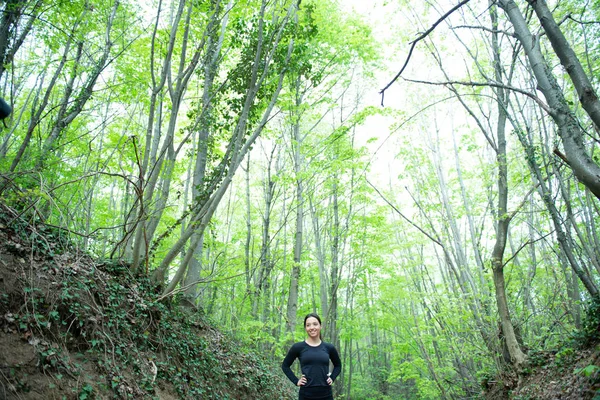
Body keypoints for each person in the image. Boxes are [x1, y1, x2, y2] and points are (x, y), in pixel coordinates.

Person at [282, 313, 342, 400]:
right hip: (306, 394)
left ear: (320, 326)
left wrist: (332, 378)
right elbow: (285, 366)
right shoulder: (298, 347)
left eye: (315, 324)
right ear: (305, 328)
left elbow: (338, 365)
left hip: (326, 394)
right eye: (308, 325)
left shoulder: (329, 347)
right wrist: (296, 381)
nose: (312, 327)